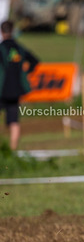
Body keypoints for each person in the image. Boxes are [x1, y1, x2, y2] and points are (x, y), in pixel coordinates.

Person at [0, 21, 39, 150]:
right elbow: (35, 61)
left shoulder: (1, 48)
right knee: (14, 121)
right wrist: (26, 72)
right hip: (16, 89)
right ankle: (13, 150)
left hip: (2, 89)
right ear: (13, 31)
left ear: (2, 32)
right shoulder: (19, 48)